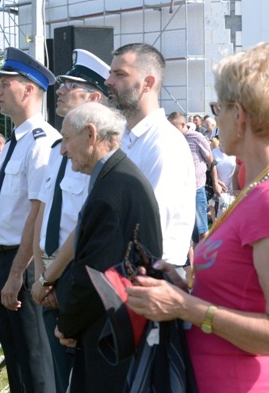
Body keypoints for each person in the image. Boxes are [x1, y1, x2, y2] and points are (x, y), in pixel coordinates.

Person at [126, 41, 269, 393]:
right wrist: (180, 281)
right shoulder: (251, 194)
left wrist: (186, 306)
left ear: (241, 114)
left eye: (218, 107)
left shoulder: (264, 200)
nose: (214, 118)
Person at [54, 103, 163, 392]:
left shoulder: (112, 189)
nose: (63, 150)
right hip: (116, 332)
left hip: (108, 338)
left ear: (90, 135)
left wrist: (66, 325)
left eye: (66, 139)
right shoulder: (116, 177)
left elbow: (95, 278)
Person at [0, 47, 58, 393]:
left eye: (4, 84)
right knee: (15, 360)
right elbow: (0, 213)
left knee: (34, 361)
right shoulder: (14, 142)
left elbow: (36, 215)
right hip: (3, 259)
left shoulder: (42, 142)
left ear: (28, 90)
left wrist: (14, 275)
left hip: (22, 264)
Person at [32, 48, 109, 393]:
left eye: (69, 85)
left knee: (80, 377)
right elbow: (44, 213)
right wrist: (39, 273)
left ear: (94, 97)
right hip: (48, 277)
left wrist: (51, 276)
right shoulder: (55, 150)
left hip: (73, 277)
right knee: (58, 376)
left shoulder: (102, 157)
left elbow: (86, 225)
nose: (59, 90)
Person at [104, 42, 195, 272]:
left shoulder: (164, 143)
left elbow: (149, 228)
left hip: (150, 275)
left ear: (148, 83)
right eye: (110, 73)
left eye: (119, 74)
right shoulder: (123, 138)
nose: (108, 81)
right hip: (124, 268)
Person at [168, 111, 213, 242]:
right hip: (179, 189)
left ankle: (205, 259)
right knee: (185, 229)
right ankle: (191, 260)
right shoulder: (170, 139)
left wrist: (214, 182)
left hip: (196, 188)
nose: (172, 131)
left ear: (183, 124)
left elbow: (210, 160)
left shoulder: (197, 137)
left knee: (201, 229)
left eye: (174, 127)